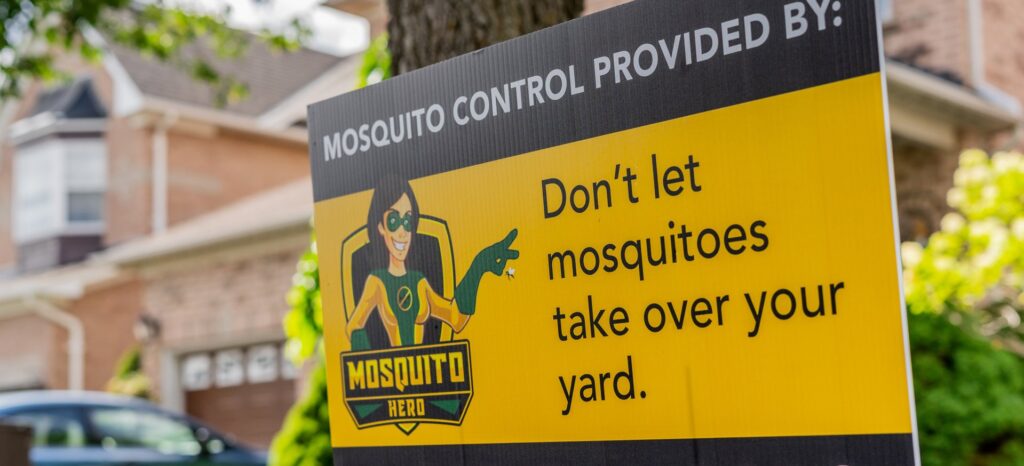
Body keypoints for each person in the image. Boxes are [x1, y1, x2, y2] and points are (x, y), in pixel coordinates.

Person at [346, 174, 518, 349]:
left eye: (407, 221)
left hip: (428, 373)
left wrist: (478, 266)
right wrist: (369, 364)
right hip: (395, 374)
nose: (402, 232)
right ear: (381, 227)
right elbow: (354, 326)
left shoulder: (419, 283)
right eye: (393, 221)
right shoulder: (377, 281)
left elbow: (455, 319)